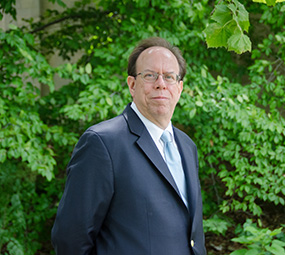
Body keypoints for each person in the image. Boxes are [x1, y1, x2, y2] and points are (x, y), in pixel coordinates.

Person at [51, 37, 206, 255]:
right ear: (132, 84)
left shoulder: (187, 147)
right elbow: (70, 240)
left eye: (169, 77)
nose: (161, 83)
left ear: (179, 88)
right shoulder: (103, 143)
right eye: (150, 75)